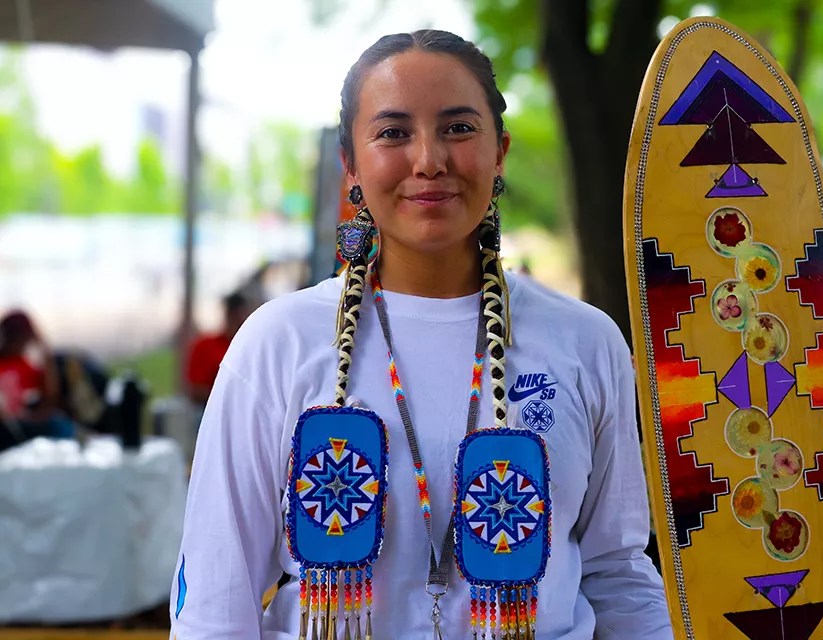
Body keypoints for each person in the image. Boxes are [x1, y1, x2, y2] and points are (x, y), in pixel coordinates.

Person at [170, 30, 672, 639]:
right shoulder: (276, 344)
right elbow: (218, 602)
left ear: (500, 153)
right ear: (350, 166)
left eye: (459, 128)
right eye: (393, 133)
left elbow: (617, 574)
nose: (429, 159)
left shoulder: (586, 343)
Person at [0, 310, 74, 447]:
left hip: (20, 425)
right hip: (6, 427)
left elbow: (50, 396)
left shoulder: (23, 365)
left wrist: (44, 350)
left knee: (58, 421)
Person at [184, 291, 253, 409]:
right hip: (211, 408)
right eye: (235, 315)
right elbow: (195, 391)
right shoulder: (205, 345)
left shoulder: (253, 347)